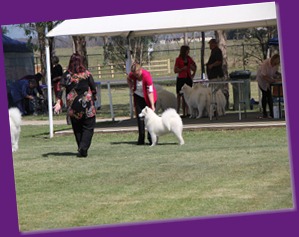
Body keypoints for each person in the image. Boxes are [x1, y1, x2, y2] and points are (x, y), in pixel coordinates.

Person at [53, 52, 97, 158]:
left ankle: (81, 148)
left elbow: (61, 89)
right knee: (88, 127)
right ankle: (83, 147)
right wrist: (94, 98)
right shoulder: (87, 74)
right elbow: (93, 88)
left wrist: (58, 102)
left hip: (73, 108)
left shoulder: (67, 75)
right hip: (87, 106)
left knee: (77, 128)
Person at [127, 62, 157, 145]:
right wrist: (131, 86)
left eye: (137, 74)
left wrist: (152, 105)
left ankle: (152, 139)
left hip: (149, 98)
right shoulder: (132, 74)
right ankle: (141, 139)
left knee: (151, 119)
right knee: (140, 118)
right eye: (134, 74)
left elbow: (150, 92)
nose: (136, 76)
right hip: (138, 97)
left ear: (140, 70)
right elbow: (128, 78)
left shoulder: (147, 76)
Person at [174, 45, 197, 117]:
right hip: (181, 78)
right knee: (179, 95)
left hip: (188, 78)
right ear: (184, 51)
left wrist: (193, 74)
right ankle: (178, 111)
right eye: (187, 51)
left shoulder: (189, 59)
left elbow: (195, 67)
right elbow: (175, 70)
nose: (188, 52)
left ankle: (187, 112)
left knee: (187, 95)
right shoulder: (178, 59)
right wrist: (182, 69)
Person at [256, 54, 281, 119]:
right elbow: (264, 76)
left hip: (269, 80)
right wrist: (271, 80)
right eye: (274, 63)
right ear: (272, 60)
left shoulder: (276, 65)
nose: (275, 65)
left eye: (276, 64)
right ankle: (265, 113)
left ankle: (272, 113)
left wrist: (279, 75)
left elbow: (274, 72)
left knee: (269, 96)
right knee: (265, 94)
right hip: (262, 80)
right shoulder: (265, 64)